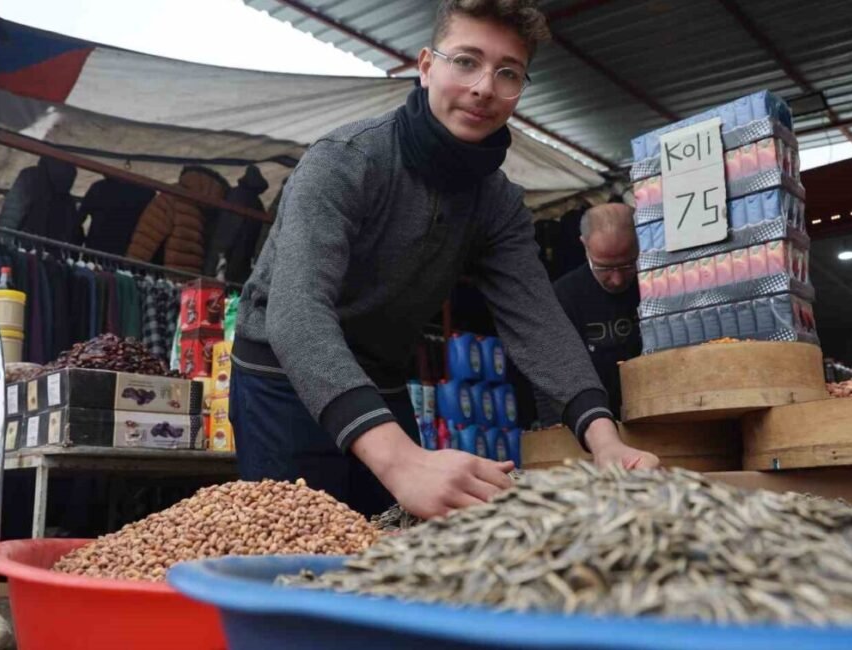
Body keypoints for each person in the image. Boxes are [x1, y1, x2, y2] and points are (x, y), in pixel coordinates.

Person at [230, 0, 660, 520]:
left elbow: (539, 322)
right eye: (466, 61)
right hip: (281, 377)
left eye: (508, 73)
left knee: (397, 554)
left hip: (382, 380)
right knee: (292, 555)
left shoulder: (498, 203)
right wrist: (401, 461)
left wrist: (604, 439)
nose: (483, 87)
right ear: (426, 65)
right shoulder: (346, 160)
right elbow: (297, 314)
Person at [535, 202, 642, 424]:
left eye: (627, 265)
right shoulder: (562, 297)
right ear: (584, 246)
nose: (617, 279)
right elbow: (549, 376)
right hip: (591, 426)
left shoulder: (658, 284)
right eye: (604, 267)